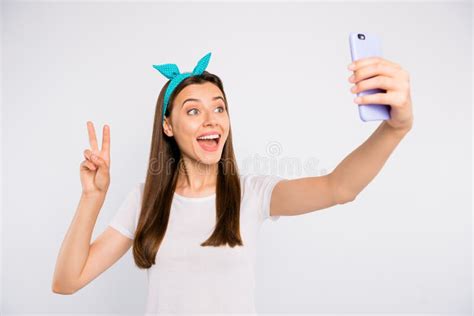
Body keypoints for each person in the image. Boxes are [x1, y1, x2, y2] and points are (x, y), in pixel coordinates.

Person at [52, 52, 413, 315]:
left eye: (219, 108)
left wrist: (396, 127)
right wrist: (92, 198)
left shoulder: (252, 193)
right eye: (193, 111)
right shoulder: (146, 199)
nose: (211, 120)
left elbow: (339, 187)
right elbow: (67, 282)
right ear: (168, 126)